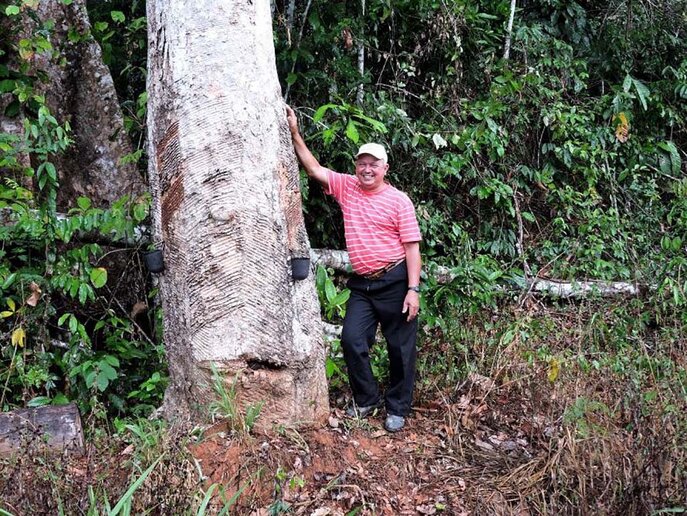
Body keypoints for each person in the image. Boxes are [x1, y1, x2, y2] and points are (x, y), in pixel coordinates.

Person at [286, 105, 422, 432]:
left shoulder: (399, 201)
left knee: (400, 349)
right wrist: (294, 133)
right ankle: (367, 398)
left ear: (385, 168)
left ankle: (398, 408)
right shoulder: (347, 188)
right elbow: (315, 169)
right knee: (351, 339)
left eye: (373, 164)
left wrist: (413, 290)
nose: (366, 169)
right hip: (362, 284)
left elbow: (412, 248)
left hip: (395, 280)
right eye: (361, 164)